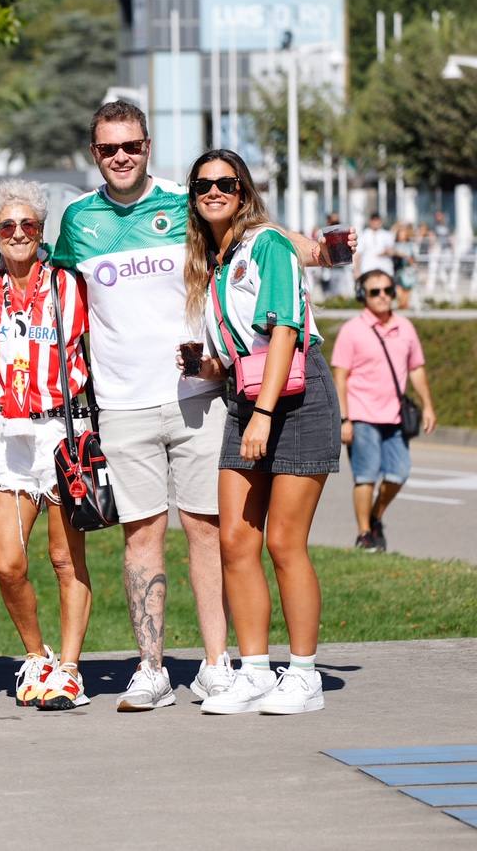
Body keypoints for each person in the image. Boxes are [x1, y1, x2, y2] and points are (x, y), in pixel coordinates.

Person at [52, 101, 343, 711]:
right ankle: (152, 670)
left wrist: (320, 250)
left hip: (204, 399)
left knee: (212, 533)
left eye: (131, 144)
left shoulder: (181, 203)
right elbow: (42, 281)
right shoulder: (78, 220)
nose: (121, 156)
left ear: (148, 145)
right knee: (142, 536)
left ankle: (219, 665)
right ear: (93, 153)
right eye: (108, 148)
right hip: (123, 401)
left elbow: (254, 228)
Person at [182, 148, 339, 715]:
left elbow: (285, 332)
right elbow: (240, 353)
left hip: (296, 400)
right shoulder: (216, 260)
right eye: (203, 185)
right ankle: (252, 670)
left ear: (244, 192)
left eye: (226, 183)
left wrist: (266, 414)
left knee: (284, 542)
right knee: (233, 541)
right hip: (247, 396)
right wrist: (205, 368)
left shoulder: (266, 245)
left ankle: (303, 675)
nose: (214, 192)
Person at [0, 180, 93, 711]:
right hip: (11, 433)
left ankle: (70, 669)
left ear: (43, 232)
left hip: (62, 430)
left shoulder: (70, 285)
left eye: (30, 225)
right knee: (7, 562)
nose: (20, 233)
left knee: (64, 559)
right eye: (8, 226)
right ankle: (37, 656)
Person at [331, 270, 437, 552]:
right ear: (362, 296)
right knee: (366, 476)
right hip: (362, 415)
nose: (382, 296)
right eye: (374, 291)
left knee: (399, 473)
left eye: (387, 290)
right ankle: (364, 534)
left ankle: (376, 517)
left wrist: (427, 405)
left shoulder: (405, 327)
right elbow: (340, 376)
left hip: (395, 416)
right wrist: (344, 419)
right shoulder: (352, 331)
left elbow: (416, 368)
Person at [354, 213, 395, 280]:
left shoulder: (387, 235)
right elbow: (358, 254)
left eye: (377, 220)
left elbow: (391, 251)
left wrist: (385, 252)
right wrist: (356, 270)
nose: (375, 223)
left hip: (385, 269)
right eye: (374, 221)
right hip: (367, 269)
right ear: (370, 221)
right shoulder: (364, 235)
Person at [391, 223, 418, 310]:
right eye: (400, 233)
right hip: (398, 271)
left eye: (403, 233)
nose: (402, 235)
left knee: (406, 297)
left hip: (408, 272)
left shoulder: (411, 245)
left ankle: (404, 314)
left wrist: (410, 260)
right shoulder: (394, 245)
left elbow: (414, 259)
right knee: (399, 295)